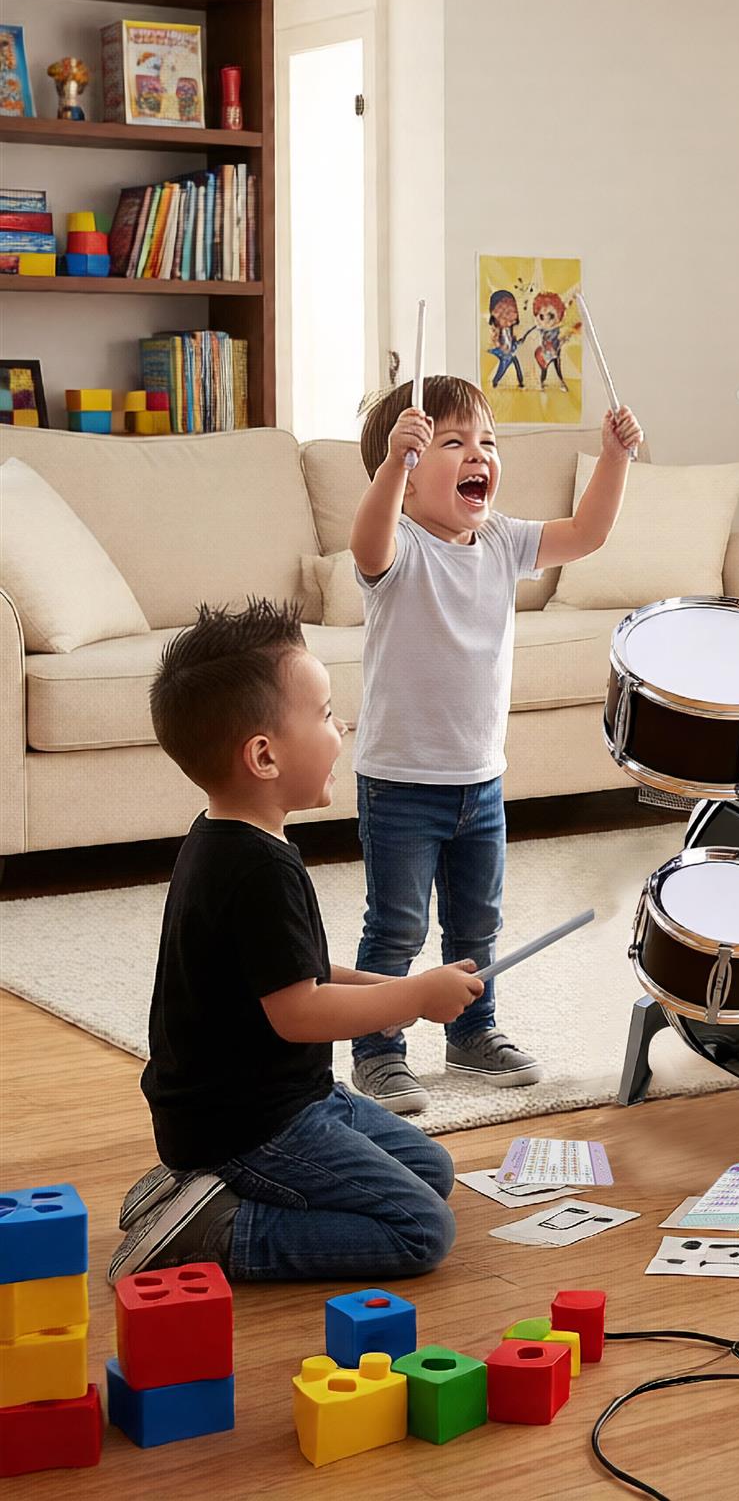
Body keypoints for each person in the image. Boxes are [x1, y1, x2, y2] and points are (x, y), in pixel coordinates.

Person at [110, 600, 483, 1281]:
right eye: (323, 713)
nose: (340, 726)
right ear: (264, 755)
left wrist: (406, 988)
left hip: (285, 1097)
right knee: (422, 1231)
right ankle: (215, 1229)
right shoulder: (254, 867)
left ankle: (195, 1188)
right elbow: (300, 1012)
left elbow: (294, 973)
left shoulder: (235, 837)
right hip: (249, 1124)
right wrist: (413, 999)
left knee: (431, 1169)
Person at [346, 374, 643, 1113]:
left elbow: (589, 533)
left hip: (479, 782)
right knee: (397, 926)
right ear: (410, 477)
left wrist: (614, 458)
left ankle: (473, 1033)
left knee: (476, 924)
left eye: (486, 442)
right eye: (452, 443)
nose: (477, 454)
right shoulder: (400, 546)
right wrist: (391, 466)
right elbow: (366, 539)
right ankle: (378, 1051)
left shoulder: (503, 539)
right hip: (400, 782)